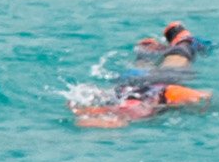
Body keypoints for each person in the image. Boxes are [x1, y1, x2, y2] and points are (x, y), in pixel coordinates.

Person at [69, 23, 210, 131]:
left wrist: (193, 107)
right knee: (139, 69)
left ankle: (182, 38)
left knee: (178, 58)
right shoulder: (109, 103)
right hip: (131, 81)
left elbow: (204, 97)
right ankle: (147, 51)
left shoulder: (165, 94)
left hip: (161, 79)